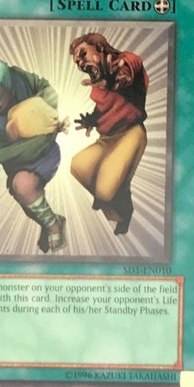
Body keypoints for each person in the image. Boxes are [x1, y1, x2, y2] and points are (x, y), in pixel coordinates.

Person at [0, 58, 67, 253]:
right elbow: (4, 155)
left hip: (48, 155)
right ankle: (53, 222)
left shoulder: (18, 78)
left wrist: (42, 114)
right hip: (18, 164)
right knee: (23, 191)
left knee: (24, 187)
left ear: (9, 89)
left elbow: (48, 91)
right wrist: (46, 136)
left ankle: (53, 226)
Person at [69, 32, 149, 235]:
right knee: (78, 165)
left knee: (105, 190)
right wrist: (92, 119)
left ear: (99, 47)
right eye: (77, 61)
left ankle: (123, 211)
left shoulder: (128, 60)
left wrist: (111, 81)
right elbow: (104, 107)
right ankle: (112, 199)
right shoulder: (97, 82)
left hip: (130, 133)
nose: (80, 63)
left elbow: (125, 78)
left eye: (83, 54)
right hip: (107, 138)